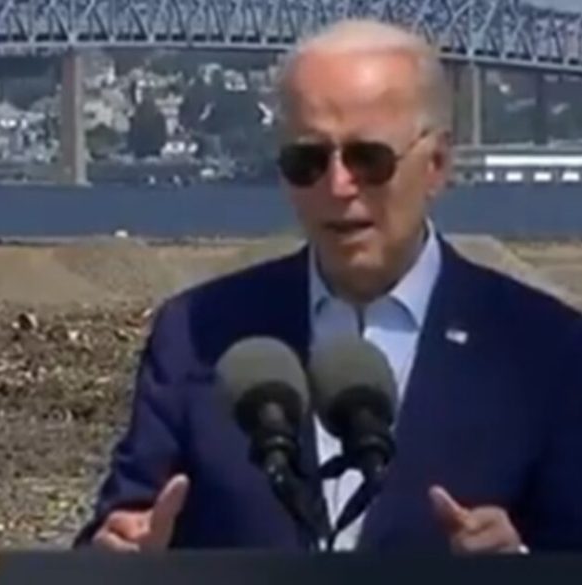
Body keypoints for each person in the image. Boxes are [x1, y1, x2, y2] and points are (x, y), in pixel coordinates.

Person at [75, 18, 582, 554]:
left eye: (369, 159)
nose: (338, 186)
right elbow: (120, 526)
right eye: (308, 162)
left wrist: (521, 566)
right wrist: (120, 561)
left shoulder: (548, 350)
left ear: (436, 164)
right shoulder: (196, 333)